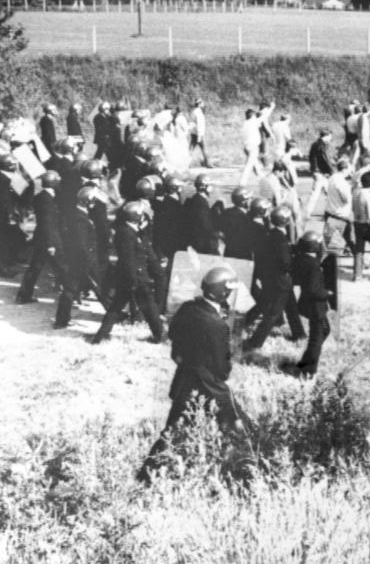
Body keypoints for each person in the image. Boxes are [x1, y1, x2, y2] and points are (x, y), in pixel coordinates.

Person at [137, 266, 255, 485]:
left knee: (173, 431)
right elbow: (222, 370)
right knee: (241, 429)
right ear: (223, 293)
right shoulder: (216, 325)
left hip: (185, 381)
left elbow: (174, 339)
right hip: (212, 387)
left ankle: (146, 476)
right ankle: (256, 471)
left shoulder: (188, 309)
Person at [91, 201, 165, 345]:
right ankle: (159, 335)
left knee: (116, 307)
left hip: (130, 276)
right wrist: (133, 281)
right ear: (136, 216)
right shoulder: (126, 234)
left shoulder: (130, 230)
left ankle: (100, 336)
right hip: (134, 277)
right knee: (149, 307)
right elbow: (128, 259)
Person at [243, 205, 305, 351]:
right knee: (273, 313)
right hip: (281, 281)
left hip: (271, 278)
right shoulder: (281, 239)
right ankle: (254, 343)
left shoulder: (269, 235)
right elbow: (285, 262)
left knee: (289, 307)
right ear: (285, 221)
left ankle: (299, 333)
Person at [55, 188, 102, 329]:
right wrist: (90, 260)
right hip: (82, 259)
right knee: (96, 286)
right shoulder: (81, 217)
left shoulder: (77, 213)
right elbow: (82, 244)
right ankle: (114, 314)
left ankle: (61, 320)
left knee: (71, 289)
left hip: (76, 258)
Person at [15, 171, 63, 305]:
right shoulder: (47, 200)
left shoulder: (42, 196)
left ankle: (24, 295)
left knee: (35, 268)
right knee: (62, 267)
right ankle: (71, 295)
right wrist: (51, 244)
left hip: (42, 238)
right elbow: (47, 223)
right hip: (49, 239)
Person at [290, 231, 333, 378]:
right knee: (317, 338)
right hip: (316, 306)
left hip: (307, 304)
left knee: (325, 330)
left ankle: (306, 361)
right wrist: (328, 293)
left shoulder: (300, 259)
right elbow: (315, 290)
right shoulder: (314, 265)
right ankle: (308, 370)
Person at [323, 158, 355, 257]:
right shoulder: (343, 183)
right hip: (341, 216)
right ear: (344, 169)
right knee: (352, 239)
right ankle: (360, 261)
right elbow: (346, 199)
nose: (351, 171)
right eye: (350, 169)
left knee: (325, 243)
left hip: (329, 213)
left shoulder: (332, 178)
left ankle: (318, 261)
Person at [184, 174, 219, 255]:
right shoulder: (201, 203)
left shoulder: (195, 199)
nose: (211, 188)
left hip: (198, 240)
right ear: (203, 186)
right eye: (209, 185)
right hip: (205, 242)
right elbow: (205, 224)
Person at [305, 129, 334, 223]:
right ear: (327, 135)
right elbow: (326, 160)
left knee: (325, 193)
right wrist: (332, 171)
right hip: (321, 173)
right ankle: (308, 213)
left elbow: (310, 157)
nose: (331, 138)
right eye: (330, 136)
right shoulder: (323, 146)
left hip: (316, 171)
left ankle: (309, 212)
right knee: (321, 193)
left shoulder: (315, 144)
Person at [219, 187, 255, 260]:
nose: (251, 200)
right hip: (243, 254)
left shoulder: (226, 213)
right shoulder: (245, 217)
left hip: (229, 251)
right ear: (243, 201)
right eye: (249, 198)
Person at [239, 109, 263, 185]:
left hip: (247, 146)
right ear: (252, 115)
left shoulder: (245, 123)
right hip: (253, 147)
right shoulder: (253, 122)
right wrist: (271, 108)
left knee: (256, 166)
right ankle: (242, 182)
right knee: (249, 166)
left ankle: (263, 180)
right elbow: (264, 116)